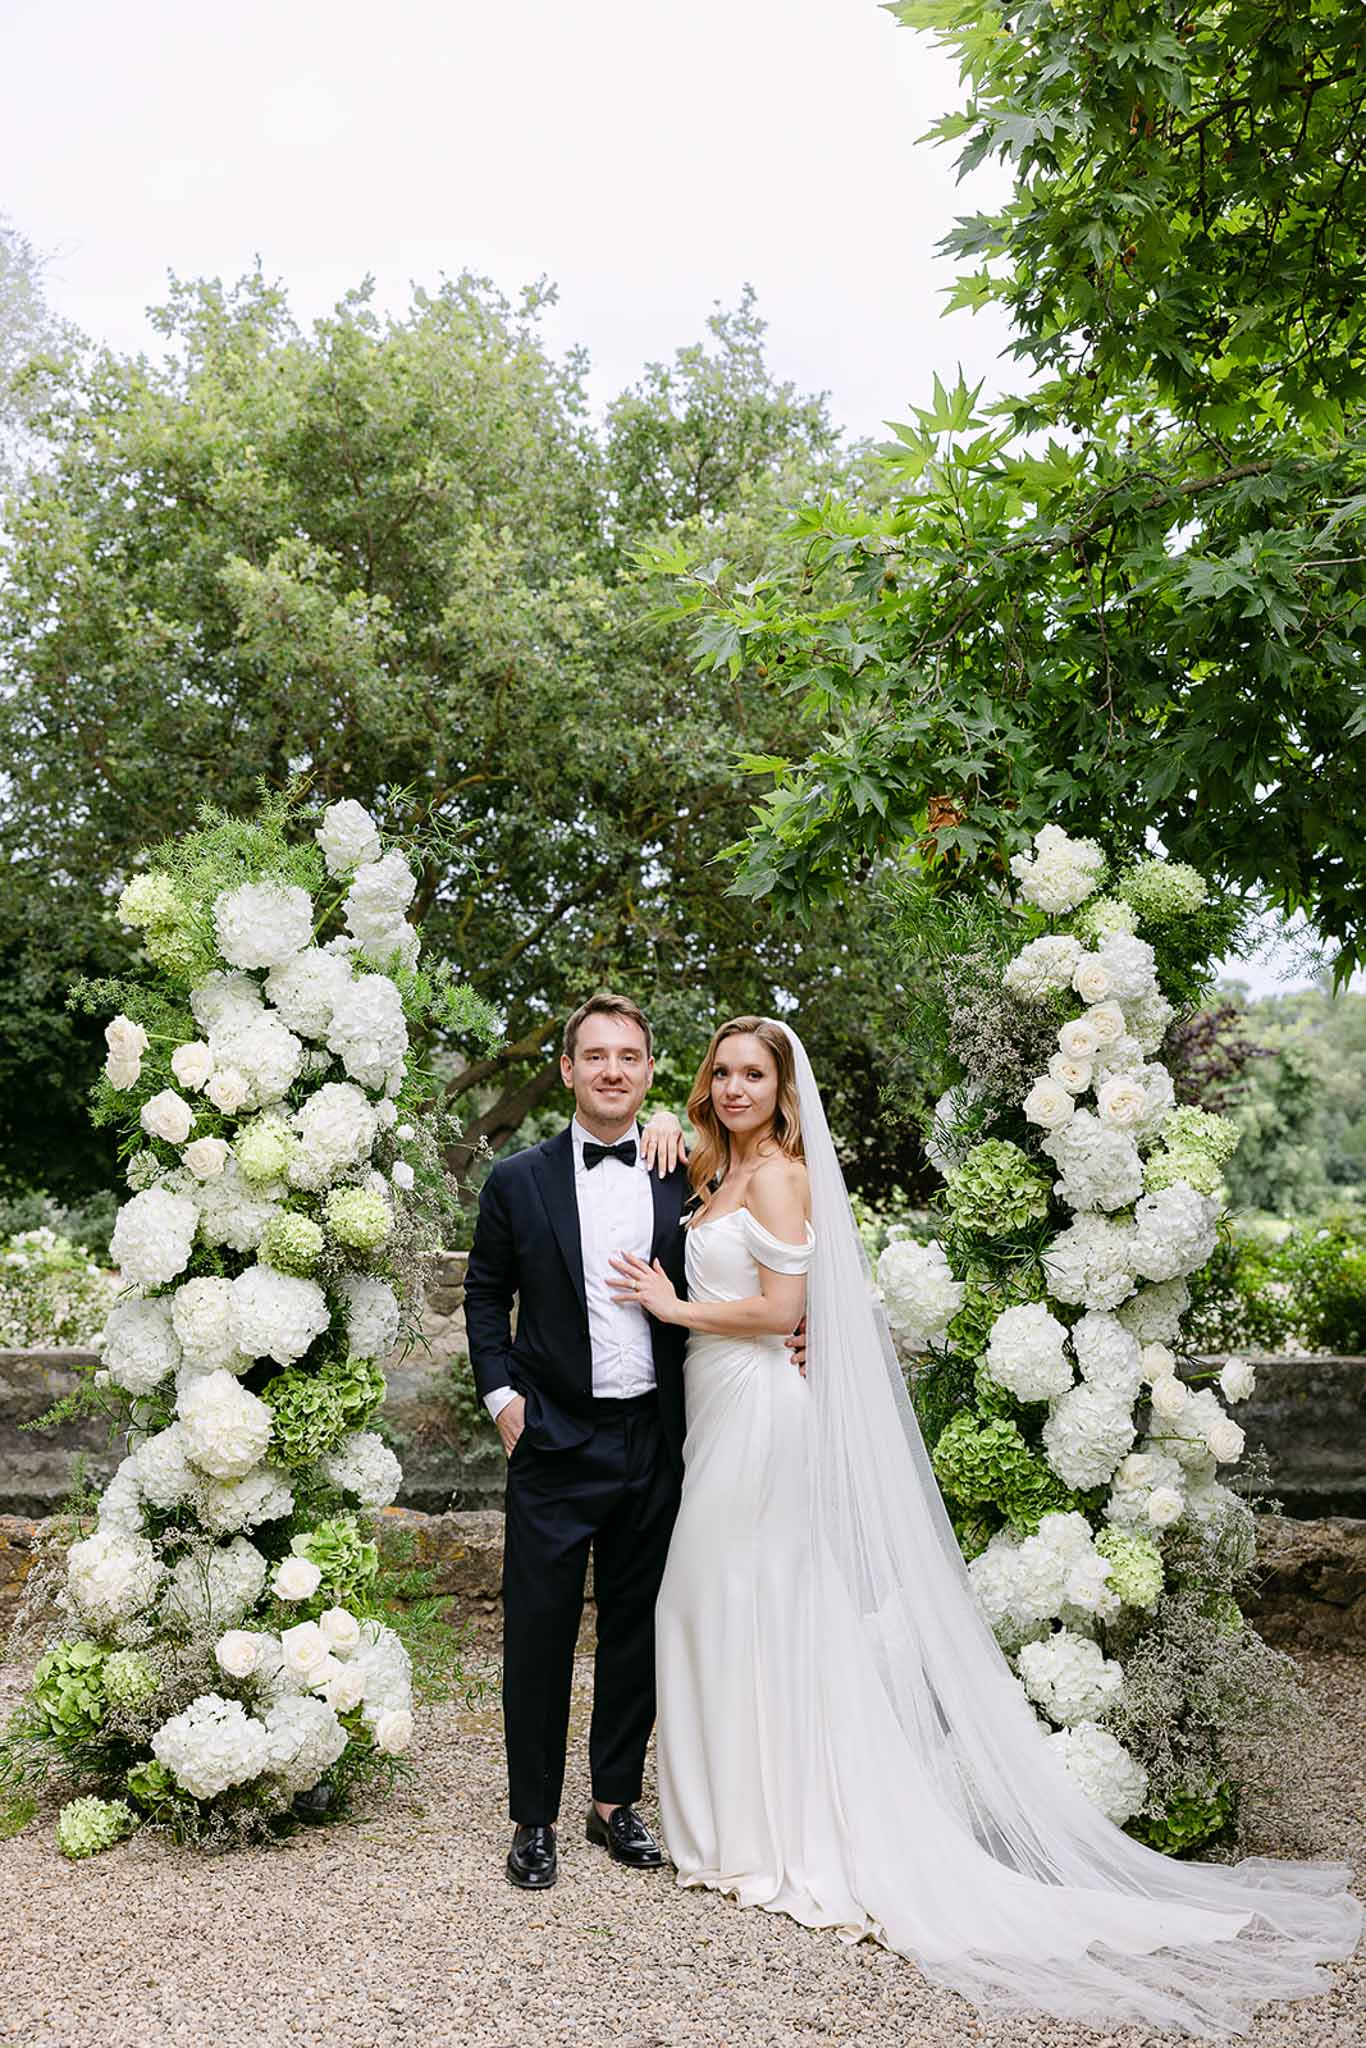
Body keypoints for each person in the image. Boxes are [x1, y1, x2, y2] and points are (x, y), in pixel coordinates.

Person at [607, 1016, 1361, 2037]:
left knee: (744, 1597)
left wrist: (671, 1305)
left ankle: (773, 1829)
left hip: (758, 1412)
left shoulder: (782, 1172)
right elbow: (691, 1188)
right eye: (722, 1072)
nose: (735, 1086)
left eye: (755, 1074)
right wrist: (659, 1121)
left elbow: (787, 1305)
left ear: (784, 1092)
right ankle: (734, 1819)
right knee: (720, 1605)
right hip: (715, 1407)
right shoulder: (709, 1163)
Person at [463, 991, 801, 1891]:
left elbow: (774, 1253)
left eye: (631, 1058)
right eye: (596, 1056)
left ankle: (614, 1801)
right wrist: (502, 1400)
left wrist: (804, 1329)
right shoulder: (515, 1181)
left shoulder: (682, 1171)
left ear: (651, 1071)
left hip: (661, 1437)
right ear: (568, 1070)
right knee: (535, 1634)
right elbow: (485, 1298)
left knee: (638, 1630)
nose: (613, 1071)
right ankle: (532, 1817)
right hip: (552, 1439)